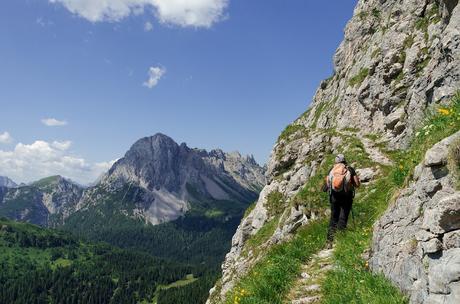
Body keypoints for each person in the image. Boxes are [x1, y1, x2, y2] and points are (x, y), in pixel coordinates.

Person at [322, 154, 360, 248]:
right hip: (346, 197)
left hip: (334, 198)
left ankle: (329, 242)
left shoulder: (332, 170)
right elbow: (357, 184)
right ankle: (340, 241)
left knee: (333, 218)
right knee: (343, 218)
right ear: (344, 161)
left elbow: (326, 186)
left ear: (336, 161)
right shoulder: (349, 169)